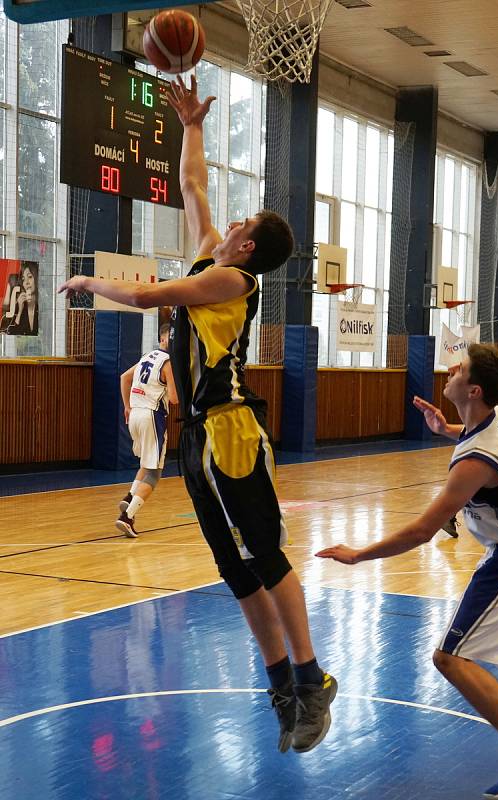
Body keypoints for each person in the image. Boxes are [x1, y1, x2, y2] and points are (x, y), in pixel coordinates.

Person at [59, 74, 336, 755]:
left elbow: (159, 296)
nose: (232, 220)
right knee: (233, 569)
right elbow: (193, 189)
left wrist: (93, 281)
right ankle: (280, 684)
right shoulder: (218, 249)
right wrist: (191, 125)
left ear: (247, 246)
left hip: (231, 432)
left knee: (266, 558)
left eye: (243, 223)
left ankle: (312, 677)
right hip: (197, 438)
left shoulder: (232, 279)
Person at [317, 343, 498, 798]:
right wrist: (449, 430)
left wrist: (358, 554)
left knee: (449, 658)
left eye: (459, 368)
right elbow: (483, 442)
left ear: (474, 388)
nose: (451, 369)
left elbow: (424, 530)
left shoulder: (475, 460)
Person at [116, 323, 178, 538]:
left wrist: (126, 406)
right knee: (154, 471)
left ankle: (129, 497)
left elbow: (124, 377)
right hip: (152, 415)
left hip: (135, 413)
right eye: (170, 338)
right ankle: (128, 516)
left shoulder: (147, 356)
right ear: (163, 339)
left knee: (146, 463)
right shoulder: (168, 363)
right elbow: (174, 398)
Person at [7, 262, 38, 336]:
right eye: (23, 279)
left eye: (30, 277)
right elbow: (12, 332)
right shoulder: (19, 305)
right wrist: (20, 311)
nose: (26, 282)